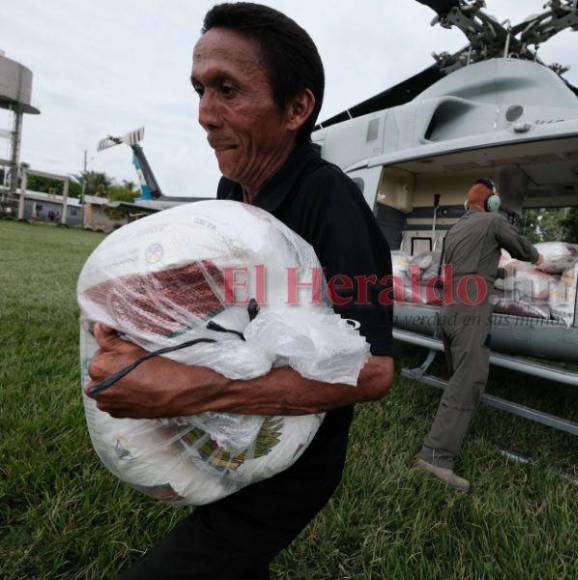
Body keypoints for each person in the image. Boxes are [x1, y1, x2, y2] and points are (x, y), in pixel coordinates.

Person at [85, 4, 394, 578]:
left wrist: (191, 391)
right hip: (231, 441)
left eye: (227, 89)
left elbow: (374, 372)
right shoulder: (233, 188)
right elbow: (226, 291)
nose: (205, 114)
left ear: (297, 108)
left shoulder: (330, 203)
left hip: (290, 459)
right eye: (200, 89)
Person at [413, 177, 541, 492]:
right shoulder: (493, 221)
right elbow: (523, 249)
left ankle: (446, 434)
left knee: (458, 376)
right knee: (468, 382)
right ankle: (435, 457)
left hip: (450, 309)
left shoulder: (454, 230)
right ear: (491, 202)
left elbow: (456, 271)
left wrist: (497, 273)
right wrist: (539, 258)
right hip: (471, 313)